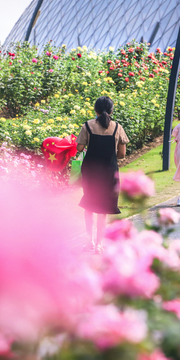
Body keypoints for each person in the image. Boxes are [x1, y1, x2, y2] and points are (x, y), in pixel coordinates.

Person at [76, 96, 129, 250]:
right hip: (109, 172)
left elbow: (79, 148)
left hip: (91, 172)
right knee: (103, 209)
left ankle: (89, 241)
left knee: (89, 205)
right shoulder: (117, 127)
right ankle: (99, 244)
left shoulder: (87, 126)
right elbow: (122, 154)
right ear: (112, 110)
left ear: (95, 110)